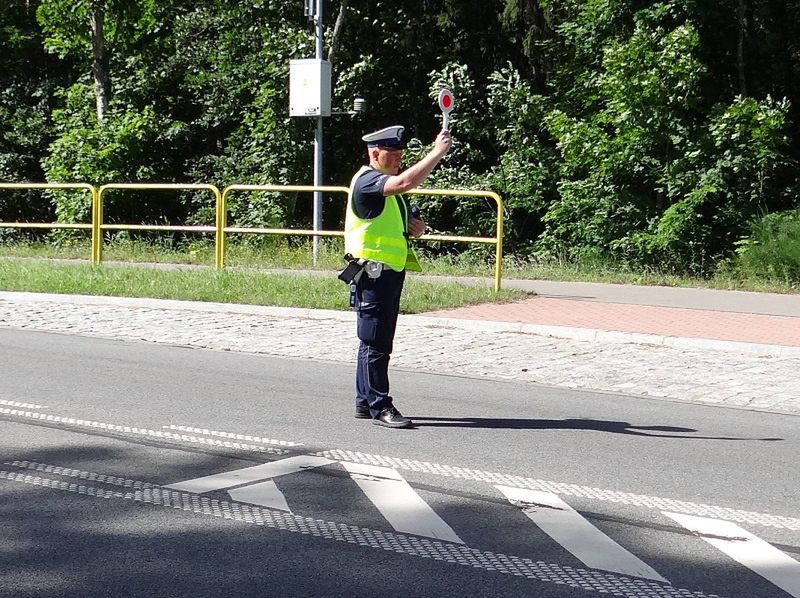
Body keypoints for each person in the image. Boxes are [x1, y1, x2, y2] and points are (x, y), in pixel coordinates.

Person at [343, 124, 452, 428]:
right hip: (373, 274)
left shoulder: (385, 187)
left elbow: (402, 218)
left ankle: (364, 402)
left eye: (400, 155)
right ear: (374, 153)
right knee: (375, 342)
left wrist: (416, 227)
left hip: (388, 273)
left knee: (374, 340)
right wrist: (437, 153)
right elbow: (404, 183)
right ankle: (380, 406)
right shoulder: (367, 181)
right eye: (392, 154)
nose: (397, 160)